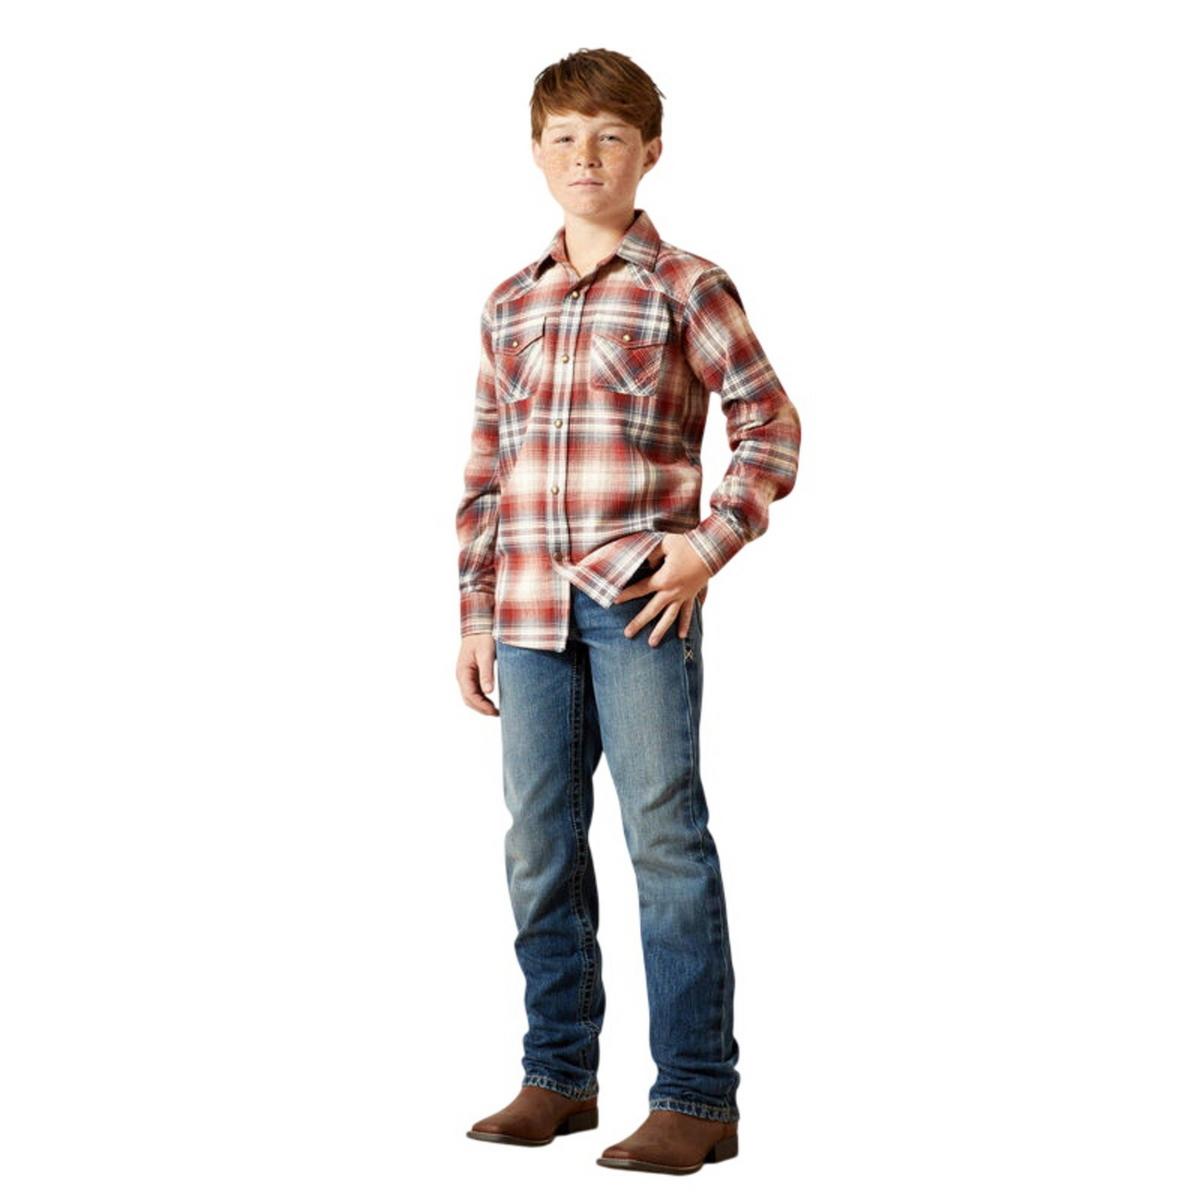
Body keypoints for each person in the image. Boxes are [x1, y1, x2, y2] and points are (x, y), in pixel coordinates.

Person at [454, 48, 801, 1175]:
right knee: (538, 847)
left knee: (664, 841)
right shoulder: (510, 303)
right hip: (525, 609)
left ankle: (697, 1096)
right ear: (536, 152)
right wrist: (473, 614)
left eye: (609, 137)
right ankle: (557, 1077)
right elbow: (487, 468)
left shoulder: (686, 286)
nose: (586, 158)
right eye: (564, 138)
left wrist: (705, 549)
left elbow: (769, 426)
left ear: (650, 151)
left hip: (638, 606)